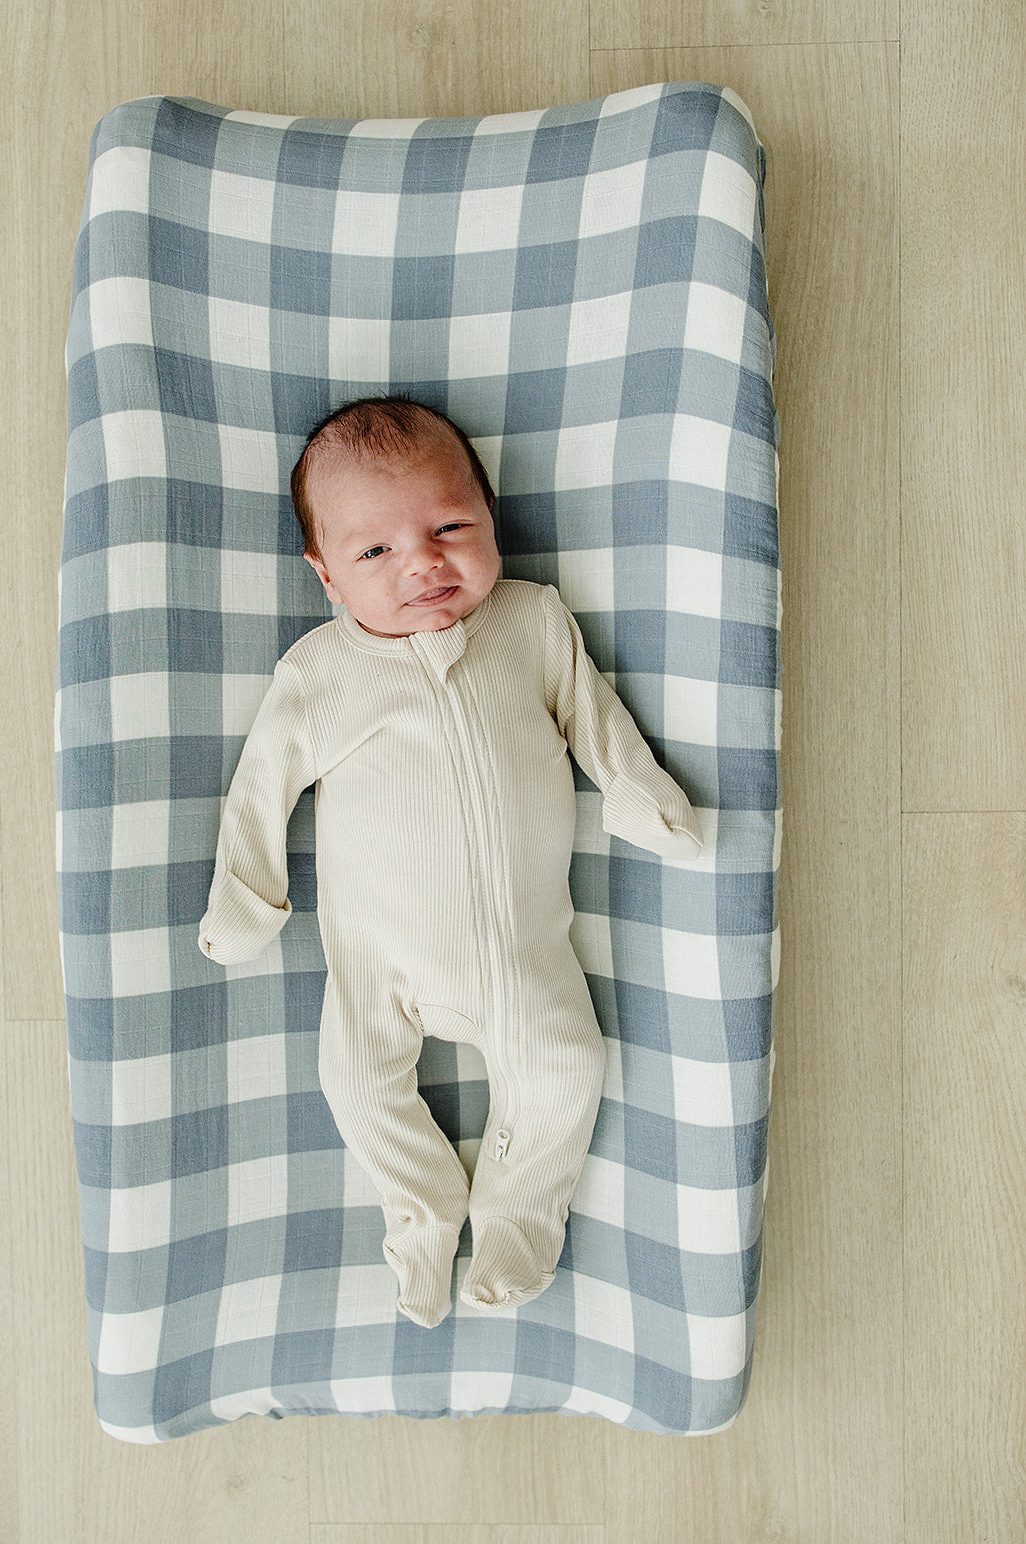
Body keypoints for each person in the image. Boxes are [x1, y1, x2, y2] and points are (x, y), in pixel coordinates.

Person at [198, 396, 702, 1327]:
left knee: (565, 1066)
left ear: (490, 519)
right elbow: (259, 789)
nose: (423, 561)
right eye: (375, 552)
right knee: (355, 1083)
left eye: (449, 527)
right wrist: (246, 898)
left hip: (520, 951)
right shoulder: (320, 674)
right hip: (373, 959)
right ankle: (421, 1210)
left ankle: (515, 1218)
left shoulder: (529, 622)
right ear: (326, 576)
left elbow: (593, 718)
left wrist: (640, 796)